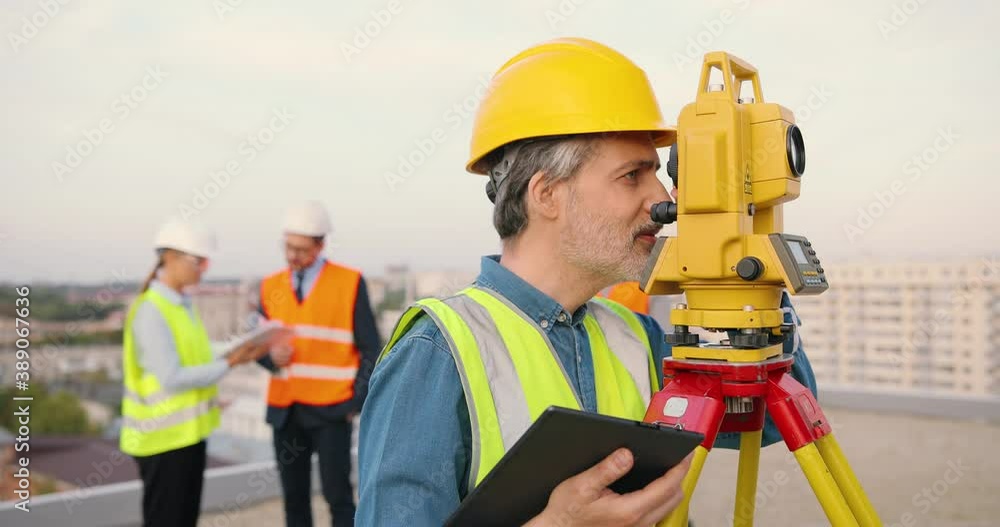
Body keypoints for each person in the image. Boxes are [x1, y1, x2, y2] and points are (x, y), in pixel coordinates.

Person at [357, 37, 818, 526]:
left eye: (657, 174)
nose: (664, 199)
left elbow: (769, 418)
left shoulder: (637, 336)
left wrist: (747, 258)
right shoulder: (439, 351)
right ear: (548, 195)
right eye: (632, 175)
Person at [120, 218, 269, 527]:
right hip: (162, 442)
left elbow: (197, 355)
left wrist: (238, 350)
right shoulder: (152, 310)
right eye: (199, 261)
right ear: (171, 258)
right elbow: (172, 378)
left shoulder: (180, 305)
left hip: (187, 437)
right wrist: (231, 363)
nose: (204, 268)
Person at [256, 201, 381, 527]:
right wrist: (270, 357)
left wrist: (354, 402)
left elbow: (371, 348)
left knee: (338, 498)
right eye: (288, 247)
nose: (292, 256)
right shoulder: (270, 286)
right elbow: (255, 347)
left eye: (301, 249)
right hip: (286, 412)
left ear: (321, 245)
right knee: (294, 501)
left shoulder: (349, 282)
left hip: (332, 411)